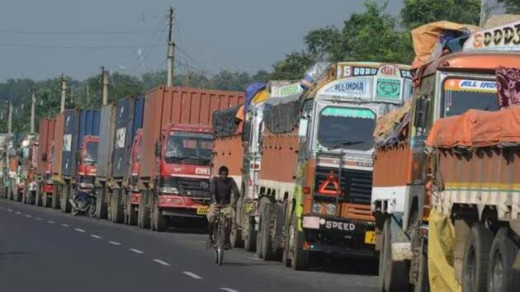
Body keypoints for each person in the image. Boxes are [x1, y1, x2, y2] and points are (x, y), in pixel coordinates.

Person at [207, 165, 240, 249]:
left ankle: (227, 240)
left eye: (225, 174)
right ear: (219, 174)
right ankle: (210, 237)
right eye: (222, 174)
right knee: (212, 219)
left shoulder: (230, 181)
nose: (224, 176)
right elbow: (212, 192)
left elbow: (237, 193)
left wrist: (234, 203)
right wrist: (215, 202)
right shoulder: (215, 180)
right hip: (215, 204)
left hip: (226, 205)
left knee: (230, 220)